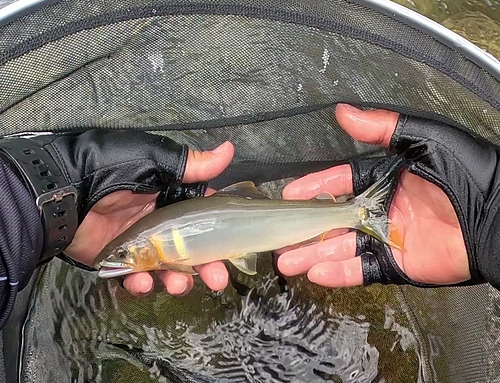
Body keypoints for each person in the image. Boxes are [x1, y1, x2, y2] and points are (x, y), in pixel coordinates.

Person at [0, 102, 497, 328]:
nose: (120, 260)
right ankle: (358, 213)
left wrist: (41, 204)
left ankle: (359, 213)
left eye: (127, 253)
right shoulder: (143, 246)